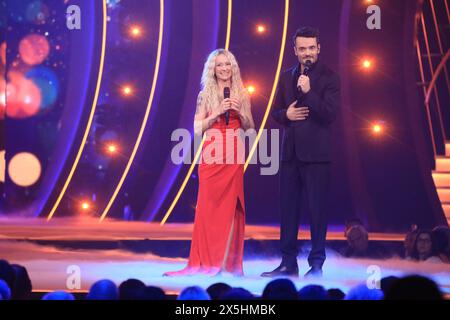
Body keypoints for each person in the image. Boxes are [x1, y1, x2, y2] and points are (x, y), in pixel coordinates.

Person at [164, 49, 255, 276]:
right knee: (208, 208)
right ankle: (205, 260)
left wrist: (239, 113)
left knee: (231, 207)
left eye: (227, 64)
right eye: (219, 65)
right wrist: (217, 112)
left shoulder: (242, 94)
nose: (224, 69)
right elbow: (196, 128)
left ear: (233, 67)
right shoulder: (204, 95)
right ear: (212, 69)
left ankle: (226, 264)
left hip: (233, 153)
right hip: (211, 155)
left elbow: (250, 127)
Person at [261, 27, 340, 278]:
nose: (307, 53)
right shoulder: (286, 76)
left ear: (318, 48)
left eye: (311, 48)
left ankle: (316, 264)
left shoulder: (330, 77)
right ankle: (288, 263)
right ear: (295, 50)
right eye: (302, 49)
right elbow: (274, 111)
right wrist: (287, 115)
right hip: (290, 154)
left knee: (317, 211)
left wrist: (309, 92)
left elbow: (330, 114)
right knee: (288, 210)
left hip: (317, 156)